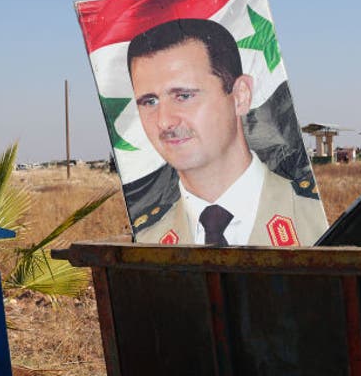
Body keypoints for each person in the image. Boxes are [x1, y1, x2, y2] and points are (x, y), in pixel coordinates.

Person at [126, 18, 327, 247]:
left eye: (183, 96)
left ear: (240, 96)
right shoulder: (147, 240)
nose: (164, 121)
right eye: (149, 101)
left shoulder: (317, 222)